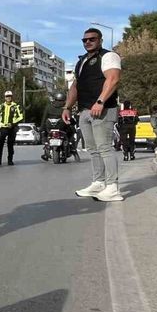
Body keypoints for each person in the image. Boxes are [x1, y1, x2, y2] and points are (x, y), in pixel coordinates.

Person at [65, 28, 122, 202]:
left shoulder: (108, 56)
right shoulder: (81, 61)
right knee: (93, 150)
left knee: (104, 147)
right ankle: (99, 182)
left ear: (100, 40)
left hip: (102, 109)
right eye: (85, 40)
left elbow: (112, 79)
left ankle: (112, 187)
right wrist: (67, 107)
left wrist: (100, 101)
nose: (88, 42)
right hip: (84, 110)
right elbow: (75, 86)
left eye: (92, 39)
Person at [40, 92, 77, 161]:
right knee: (71, 133)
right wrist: (73, 123)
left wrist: (42, 128)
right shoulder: (66, 108)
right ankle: (72, 148)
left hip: (50, 128)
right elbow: (69, 118)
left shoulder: (49, 107)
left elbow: (44, 118)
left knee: (45, 135)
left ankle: (46, 148)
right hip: (62, 127)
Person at [0, 90, 24, 165]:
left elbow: (21, 117)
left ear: (12, 97)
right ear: (5, 98)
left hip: (12, 128)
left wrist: (13, 124)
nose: (8, 98)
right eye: (7, 96)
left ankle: (10, 160)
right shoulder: (1, 106)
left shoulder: (16, 106)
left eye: (9, 96)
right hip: (3, 127)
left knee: (10, 144)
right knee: (0, 144)